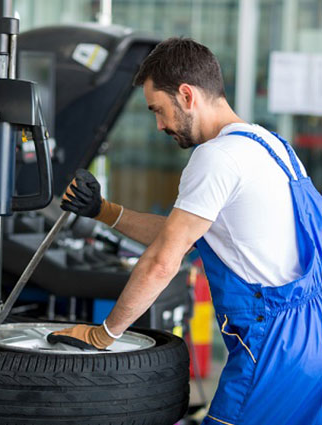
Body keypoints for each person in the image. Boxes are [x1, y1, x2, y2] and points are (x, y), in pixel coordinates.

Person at [49, 37, 322, 425]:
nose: (160, 125)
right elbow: (185, 232)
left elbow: (163, 260)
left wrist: (102, 336)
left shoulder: (215, 158)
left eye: (159, 110)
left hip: (273, 350)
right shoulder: (272, 146)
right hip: (313, 337)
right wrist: (103, 211)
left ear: (187, 95)